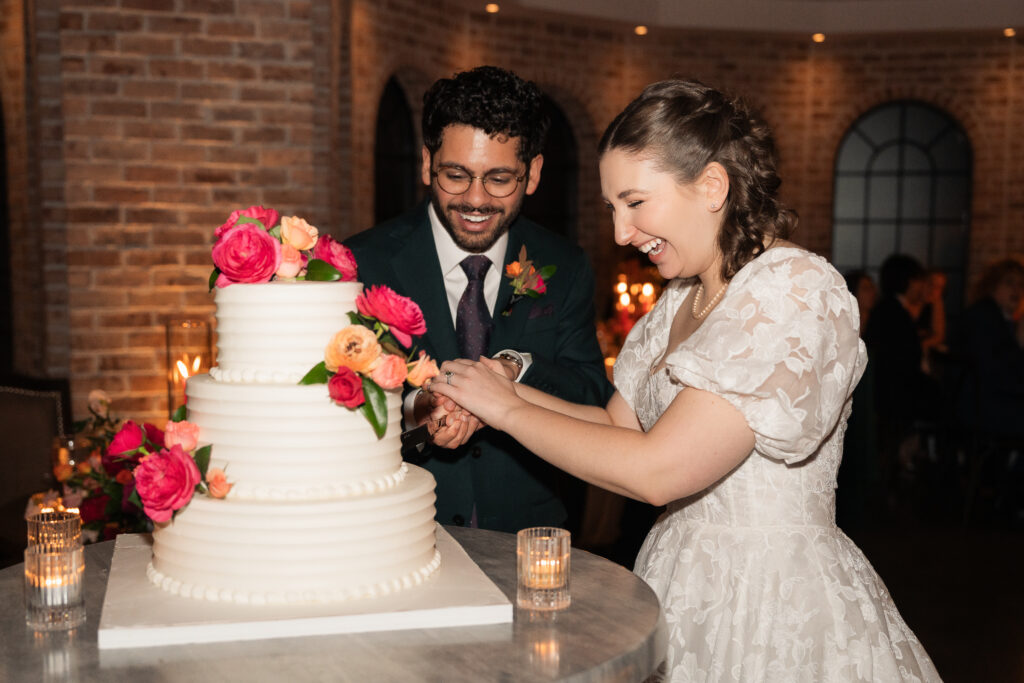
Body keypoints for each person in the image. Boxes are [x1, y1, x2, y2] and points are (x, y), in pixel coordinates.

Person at [431, 79, 939, 680]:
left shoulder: (792, 292)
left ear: (713, 186)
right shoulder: (678, 300)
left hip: (771, 600)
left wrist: (508, 411)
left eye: (635, 202)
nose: (621, 233)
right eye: (613, 208)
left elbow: (659, 470)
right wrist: (501, 391)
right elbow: (617, 427)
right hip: (678, 579)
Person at [345, 66, 613, 534]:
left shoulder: (565, 264)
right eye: (455, 175)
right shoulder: (363, 263)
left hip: (526, 535)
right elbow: (341, 411)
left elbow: (590, 394)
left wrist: (516, 368)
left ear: (533, 174)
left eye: (499, 179)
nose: (475, 199)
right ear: (427, 164)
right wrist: (420, 411)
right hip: (398, 530)